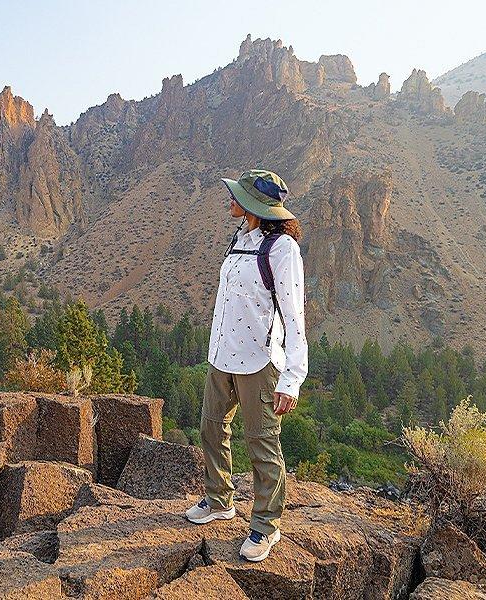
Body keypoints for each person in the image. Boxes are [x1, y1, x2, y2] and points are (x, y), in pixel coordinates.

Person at [184, 169, 308, 562]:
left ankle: (264, 526)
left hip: (259, 362)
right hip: (222, 355)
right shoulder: (240, 238)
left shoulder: (282, 250)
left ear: (255, 205)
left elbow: (294, 315)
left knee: (262, 442)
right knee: (210, 427)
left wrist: (292, 378)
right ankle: (219, 500)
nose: (231, 200)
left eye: (238, 195)